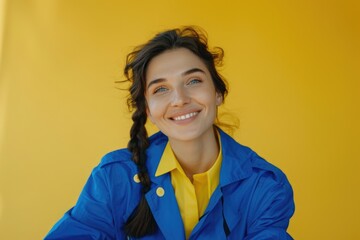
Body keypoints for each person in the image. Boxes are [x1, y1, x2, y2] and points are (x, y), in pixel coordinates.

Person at [45, 26, 295, 240]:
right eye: (161, 89)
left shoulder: (265, 187)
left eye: (193, 81)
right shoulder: (114, 178)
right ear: (148, 111)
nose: (180, 99)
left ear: (218, 93)